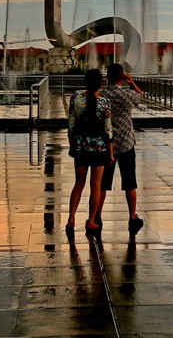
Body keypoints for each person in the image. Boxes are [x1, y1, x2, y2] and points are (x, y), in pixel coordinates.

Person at [65, 69, 115, 239]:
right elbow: (108, 130)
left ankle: (71, 218)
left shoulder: (76, 98)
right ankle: (91, 220)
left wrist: (73, 143)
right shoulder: (104, 102)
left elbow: (71, 124)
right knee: (96, 185)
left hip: (80, 146)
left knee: (78, 183)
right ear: (101, 83)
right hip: (99, 148)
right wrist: (110, 153)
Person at [96, 63, 144, 235]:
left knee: (102, 184)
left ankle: (97, 216)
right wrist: (131, 82)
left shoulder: (101, 95)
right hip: (126, 143)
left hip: (105, 144)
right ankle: (132, 217)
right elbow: (141, 97)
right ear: (122, 76)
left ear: (107, 77)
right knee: (129, 182)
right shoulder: (127, 94)